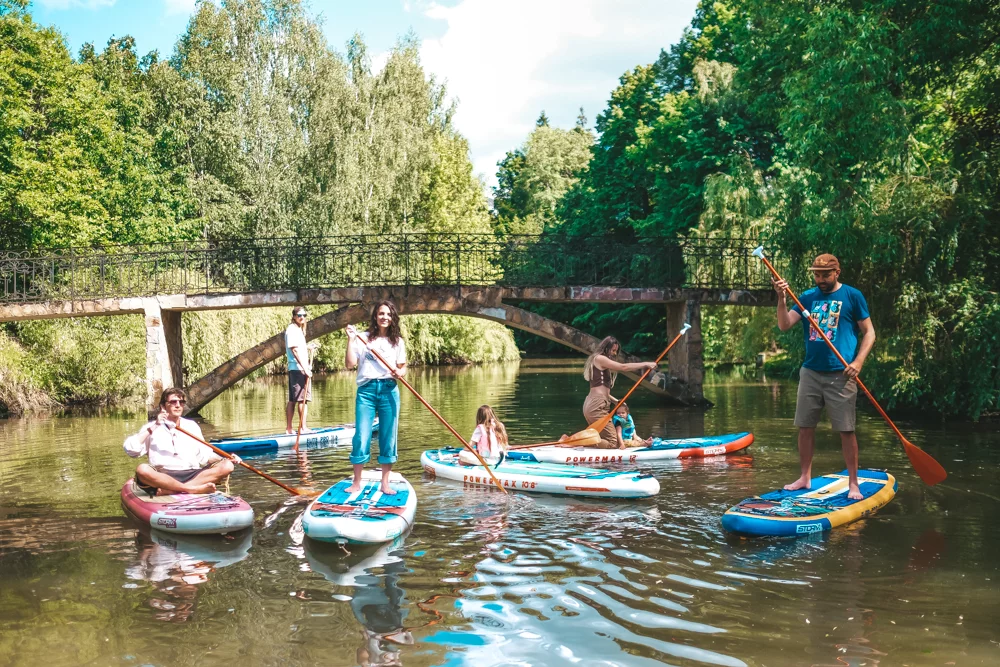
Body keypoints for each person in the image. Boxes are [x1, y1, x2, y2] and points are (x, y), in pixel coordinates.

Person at [773, 252, 875, 500]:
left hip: (841, 374)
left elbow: (869, 333)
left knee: (846, 429)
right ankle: (805, 477)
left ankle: (853, 484)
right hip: (810, 371)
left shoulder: (852, 295)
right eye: (817, 274)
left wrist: (858, 362)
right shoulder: (807, 297)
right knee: (805, 427)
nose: (820, 279)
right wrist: (782, 298)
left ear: (836, 273)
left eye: (825, 274)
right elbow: (785, 324)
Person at [123, 388, 237, 496]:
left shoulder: (191, 426)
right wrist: (154, 427)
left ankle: (174, 490)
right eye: (173, 402)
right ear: (163, 406)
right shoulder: (151, 427)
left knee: (227, 466)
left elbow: (205, 456)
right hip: (163, 476)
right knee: (142, 469)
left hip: (192, 474)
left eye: (181, 402)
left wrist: (225, 459)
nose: (178, 405)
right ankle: (191, 489)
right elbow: (131, 450)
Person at [345, 300, 407, 495]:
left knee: (388, 438)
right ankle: (356, 482)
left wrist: (400, 372)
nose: (385, 317)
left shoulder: (397, 341)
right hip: (367, 391)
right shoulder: (362, 338)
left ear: (392, 318)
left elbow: (403, 367)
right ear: (375, 316)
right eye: (381, 314)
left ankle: (385, 483)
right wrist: (350, 340)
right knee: (362, 436)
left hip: (389, 390)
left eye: (388, 314)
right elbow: (349, 364)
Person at [582, 336, 658, 449]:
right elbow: (623, 367)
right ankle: (573, 441)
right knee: (614, 443)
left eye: (616, 351)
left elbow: (602, 391)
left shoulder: (599, 361)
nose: (614, 353)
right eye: (613, 350)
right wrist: (645, 364)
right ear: (605, 348)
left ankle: (576, 441)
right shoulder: (600, 358)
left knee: (606, 438)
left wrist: (616, 401)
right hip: (596, 405)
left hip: (593, 403)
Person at [285, 307, 314, 434]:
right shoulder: (292, 330)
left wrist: (307, 347)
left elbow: (297, 347)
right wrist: (305, 368)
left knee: (293, 399)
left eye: (304, 315)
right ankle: (303, 428)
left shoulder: (297, 330)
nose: (302, 317)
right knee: (302, 399)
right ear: (294, 316)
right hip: (299, 369)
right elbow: (294, 349)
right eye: (299, 315)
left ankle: (290, 429)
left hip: (296, 368)